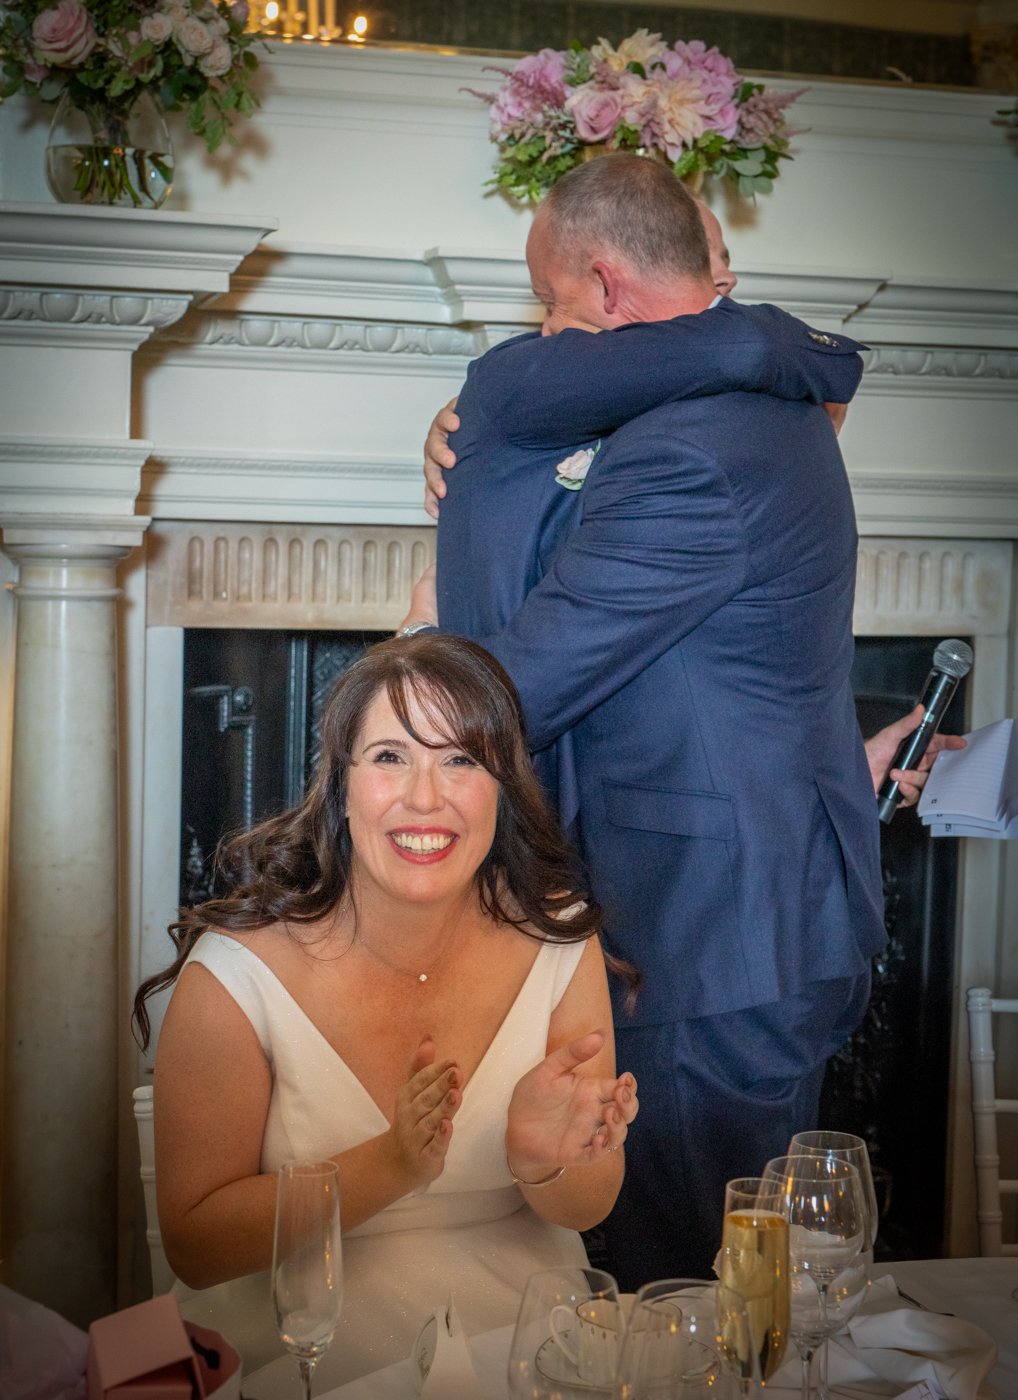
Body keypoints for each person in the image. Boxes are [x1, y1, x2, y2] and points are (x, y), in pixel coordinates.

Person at [398, 154, 951, 1290]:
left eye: (552, 310)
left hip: (714, 940)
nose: (549, 346)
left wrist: (407, 661)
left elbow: (528, 683)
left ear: (605, 289)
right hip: (726, 911)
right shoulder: (725, 410)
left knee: (693, 1286)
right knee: (707, 1279)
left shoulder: (699, 448)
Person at [132, 633, 639, 1382]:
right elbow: (196, 1247)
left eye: (461, 760)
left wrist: (544, 1165)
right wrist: (389, 1166)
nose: (425, 797)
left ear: (503, 785)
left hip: (526, 1348)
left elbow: (588, 1206)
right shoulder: (237, 974)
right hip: (299, 1355)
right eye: (390, 757)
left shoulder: (559, 939)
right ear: (341, 784)